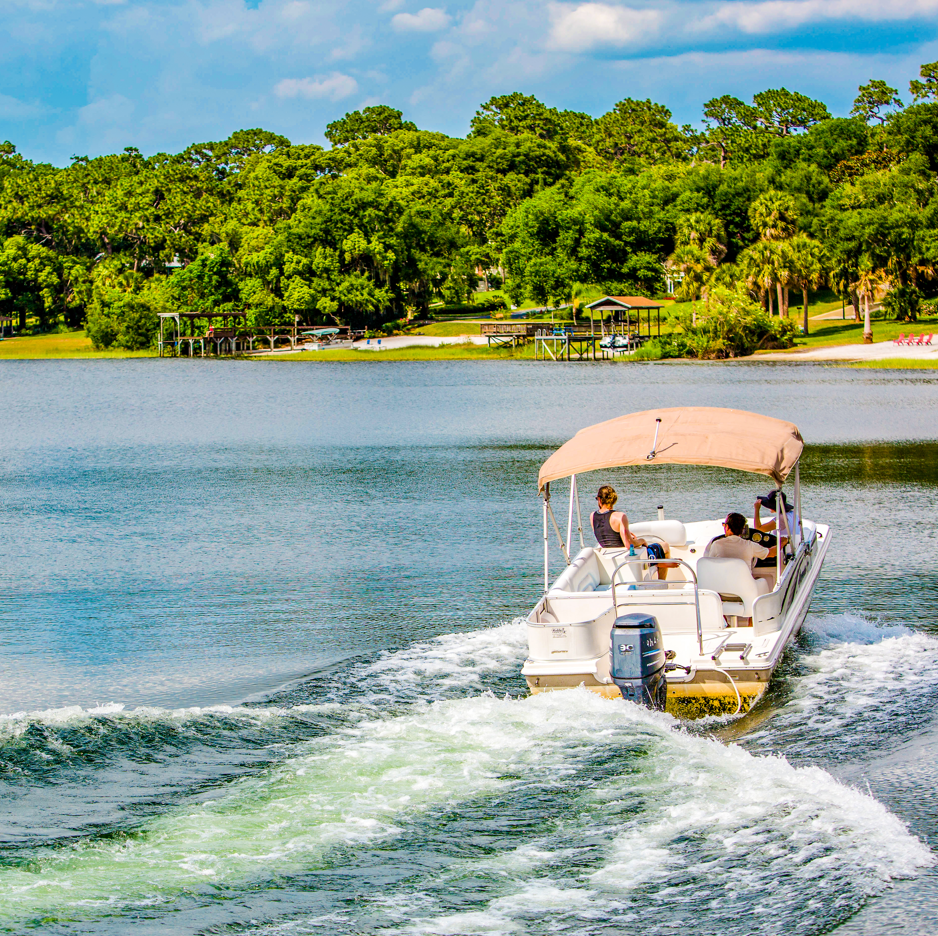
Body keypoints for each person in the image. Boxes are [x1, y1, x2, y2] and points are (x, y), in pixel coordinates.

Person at [705, 512, 777, 573]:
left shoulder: (716, 544)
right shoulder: (750, 545)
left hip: (722, 586)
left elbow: (710, 565)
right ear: (743, 529)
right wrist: (783, 541)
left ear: (727, 527)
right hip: (745, 588)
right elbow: (772, 553)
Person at [591, 485, 645, 550]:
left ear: (599, 499)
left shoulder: (592, 516)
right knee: (659, 545)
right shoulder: (620, 516)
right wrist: (642, 541)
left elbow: (606, 534)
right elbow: (629, 545)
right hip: (622, 554)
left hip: (605, 554)